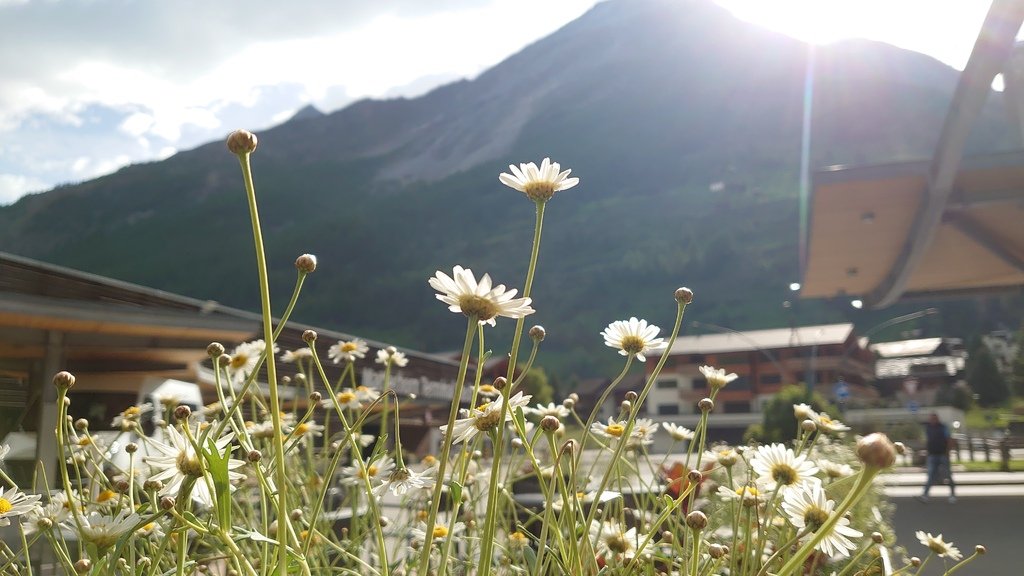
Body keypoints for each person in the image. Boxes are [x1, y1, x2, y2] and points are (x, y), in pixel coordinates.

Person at [918, 413, 956, 503]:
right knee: (930, 475)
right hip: (932, 455)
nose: (933, 420)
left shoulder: (943, 427)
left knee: (948, 475)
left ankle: (952, 495)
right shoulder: (928, 429)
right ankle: (925, 495)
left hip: (942, 454)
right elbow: (927, 441)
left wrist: (947, 452)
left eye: (934, 419)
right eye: (931, 419)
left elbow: (949, 439)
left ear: (938, 419)